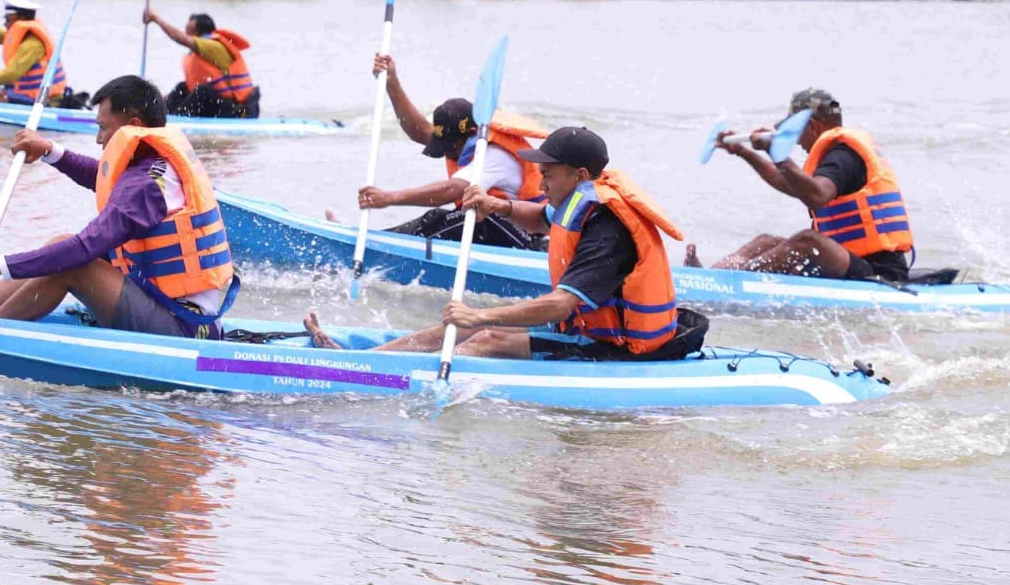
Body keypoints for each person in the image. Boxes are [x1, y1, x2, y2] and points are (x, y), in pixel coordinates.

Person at [305, 126, 707, 361]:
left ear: (580, 173)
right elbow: (540, 218)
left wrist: (480, 316)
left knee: (486, 337)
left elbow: (562, 303)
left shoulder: (609, 228)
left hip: (618, 349)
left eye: (548, 173)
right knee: (449, 327)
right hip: (584, 329)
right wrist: (496, 204)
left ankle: (377, 377)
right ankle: (364, 362)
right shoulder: (581, 197)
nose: (541, 180)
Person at [0, 75, 237, 339]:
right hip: (176, 312)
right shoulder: (153, 164)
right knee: (59, 243)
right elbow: (104, 178)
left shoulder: (143, 187)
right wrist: (50, 150)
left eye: (103, 128)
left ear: (132, 124)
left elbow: (85, 248)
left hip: (182, 330)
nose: (98, 139)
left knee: (72, 264)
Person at [686, 88, 914, 282]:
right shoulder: (833, 154)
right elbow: (789, 183)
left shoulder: (843, 155)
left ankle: (731, 285)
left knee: (808, 241)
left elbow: (817, 196)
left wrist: (778, 155)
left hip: (879, 272)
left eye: (795, 132)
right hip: (848, 259)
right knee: (765, 242)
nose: (796, 141)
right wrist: (744, 153)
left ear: (813, 126)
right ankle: (712, 278)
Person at [347, 53, 549, 250]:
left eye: (449, 147)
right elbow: (420, 132)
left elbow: (451, 190)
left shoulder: (495, 155)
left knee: (451, 217)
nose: (447, 154)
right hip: (502, 229)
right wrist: (392, 84)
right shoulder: (463, 140)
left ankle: (370, 246)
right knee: (463, 215)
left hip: (528, 240)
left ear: (470, 133)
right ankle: (371, 241)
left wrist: (390, 198)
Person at [0, 0, 87, 108]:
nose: (5, 23)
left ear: (21, 19)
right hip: (33, 92)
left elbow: (11, 74)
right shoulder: (23, 36)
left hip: (45, 99)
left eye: (8, 19)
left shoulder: (32, 44)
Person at [141, 8, 260, 119]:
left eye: (188, 28)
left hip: (240, 110)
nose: (185, 31)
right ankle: (159, 113)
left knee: (203, 91)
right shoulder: (203, 47)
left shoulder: (213, 45)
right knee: (183, 87)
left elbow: (179, 38)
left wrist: (156, 19)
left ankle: (176, 118)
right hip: (223, 104)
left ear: (197, 29)